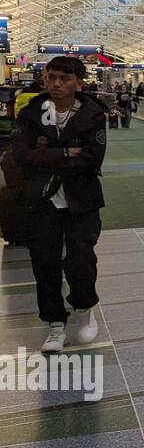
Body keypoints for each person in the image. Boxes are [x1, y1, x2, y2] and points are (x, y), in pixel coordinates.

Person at [11, 56, 108, 352]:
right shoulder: (31, 113)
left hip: (82, 201)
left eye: (64, 79)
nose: (56, 83)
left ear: (79, 83)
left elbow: (91, 160)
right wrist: (66, 152)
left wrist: (46, 154)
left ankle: (84, 308)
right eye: (51, 77)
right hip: (42, 202)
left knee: (80, 260)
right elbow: (20, 156)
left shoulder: (93, 115)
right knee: (45, 263)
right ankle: (55, 324)